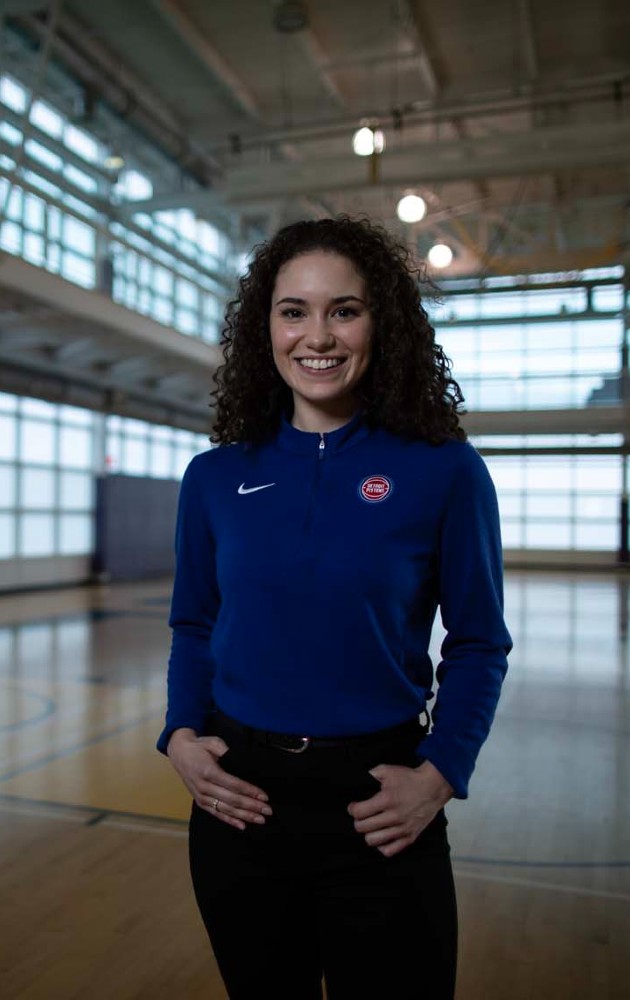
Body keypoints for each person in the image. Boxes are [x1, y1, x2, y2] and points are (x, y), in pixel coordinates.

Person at [157, 216, 512, 1000]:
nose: (317, 335)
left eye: (343, 310)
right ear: (267, 327)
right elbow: (194, 623)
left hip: (381, 807)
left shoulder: (445, 471)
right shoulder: (214, 477)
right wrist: (182, 735)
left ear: (380, 321)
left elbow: (480, 641)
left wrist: (443, 771)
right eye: (294, 311)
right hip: (239, 807)